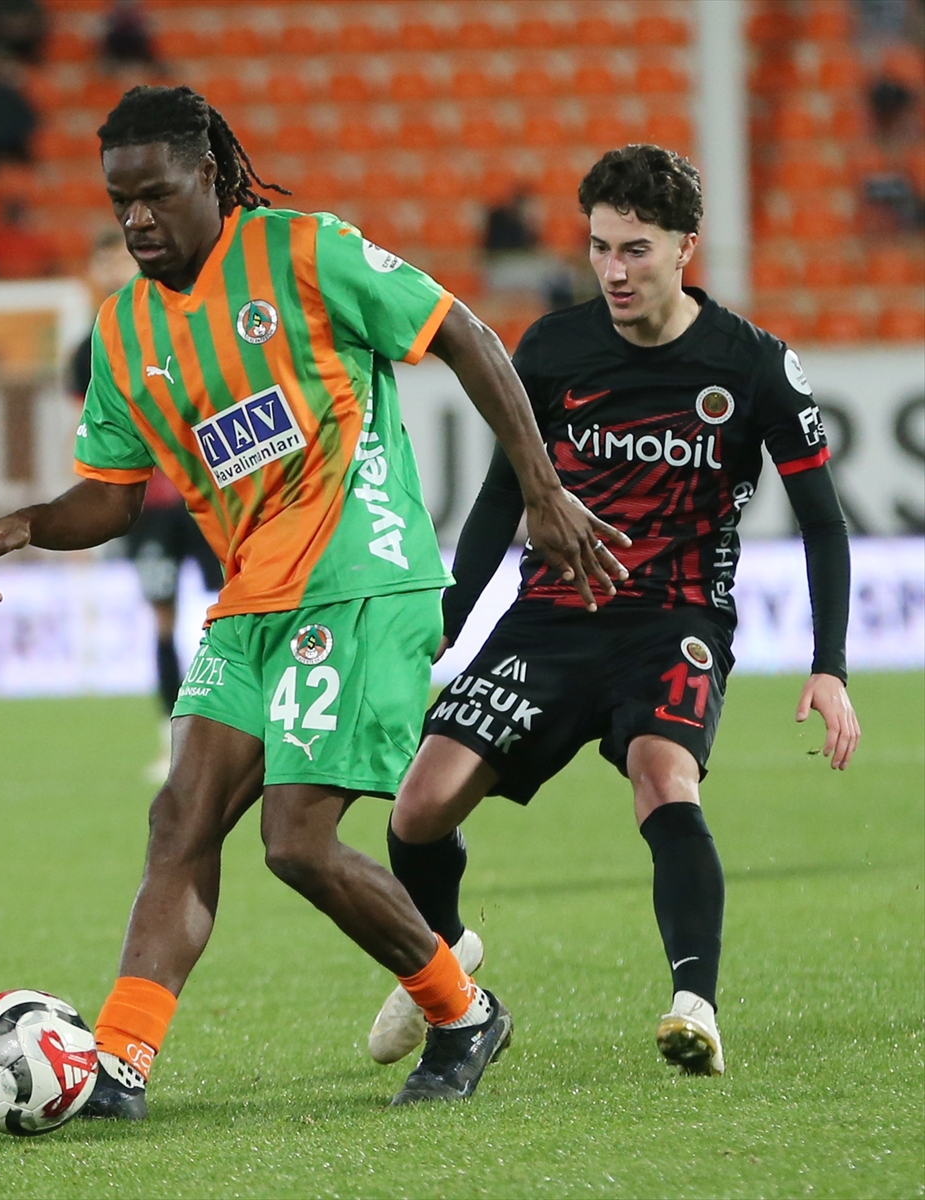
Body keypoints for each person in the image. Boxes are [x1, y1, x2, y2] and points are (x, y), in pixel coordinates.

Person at [0, 85, 630, 1116]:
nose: (135, 219)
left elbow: (466, 334)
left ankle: (462, 1013)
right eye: (119, 201)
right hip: (252, 598)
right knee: (179, 820)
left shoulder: (307, 253)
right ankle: (120, 1060)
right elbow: (113, 497)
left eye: (154, 194)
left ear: (208, 176)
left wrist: (542, 489)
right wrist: (31, 522)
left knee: (295, 841)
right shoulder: (125, 329)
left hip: (362, 579)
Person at [367, 144, 861, 1079]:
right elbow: (500, 498)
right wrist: (448, 618)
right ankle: (445, 953)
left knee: (663, 777)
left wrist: (827, 665)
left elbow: (823, 524)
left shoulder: (753, 365)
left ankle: (694, 1005)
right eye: (599, 247)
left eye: (635, 249)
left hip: (674, 617)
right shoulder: (550, 349)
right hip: (552, 615)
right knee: (418, 808)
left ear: (684, 247)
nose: (613, 270)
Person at [69, 229, 223, 782]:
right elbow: (86, 434)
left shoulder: (175, 320)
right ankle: (172, 739)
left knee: (239, 608)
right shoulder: (86, 353)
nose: (113, 270)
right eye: (103, 261)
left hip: (206, 493)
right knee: (162, 620)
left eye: (120, 258)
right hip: (149, 505)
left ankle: (249, 728)